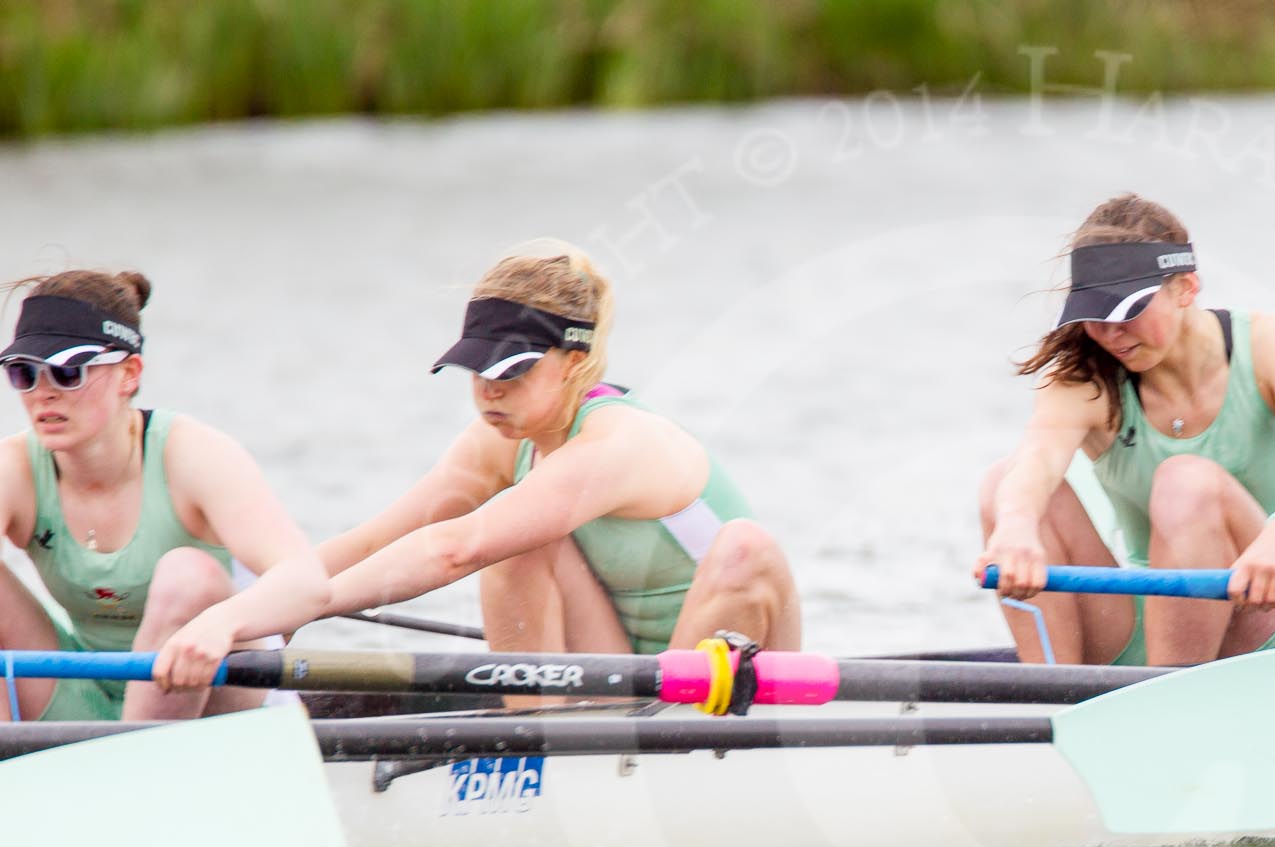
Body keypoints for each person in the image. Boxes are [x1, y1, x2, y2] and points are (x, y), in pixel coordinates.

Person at [319, 242, 799, 661]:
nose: (489, 391)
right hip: (621, 676)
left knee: (745, 547)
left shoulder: (618, 441)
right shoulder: (499, 443)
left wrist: (313, 604)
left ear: (574, 362)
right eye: (477, 370)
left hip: (729, 678)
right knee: (512, 537)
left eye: (510, 372)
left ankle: (664, 741)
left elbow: (451, 552)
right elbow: (368, 544)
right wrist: (262, 605)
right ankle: (535, 737)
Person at [976, 194, 1275, 666]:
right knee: (1001, 485)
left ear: (1186, 288)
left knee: (1185, 481)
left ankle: (1165, 702)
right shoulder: (1085, 380)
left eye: (1128, 311)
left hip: (1268, 614)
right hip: (1139, 632)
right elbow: (1038, 460)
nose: (1110, 333)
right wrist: (1014, 528)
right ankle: (1054, 703)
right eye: (1095, 315)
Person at [0, 269, 331, 721]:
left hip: (213, 698)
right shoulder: (14, 468)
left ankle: (138, 768)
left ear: (129, 374)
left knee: (187, 575)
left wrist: (221, 623)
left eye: (67, 372)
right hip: (78, 692)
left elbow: (307, 582)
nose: (44, 393)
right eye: (24, 374)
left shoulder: (195, 455)